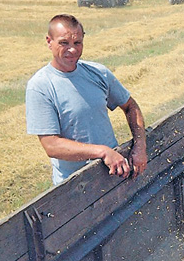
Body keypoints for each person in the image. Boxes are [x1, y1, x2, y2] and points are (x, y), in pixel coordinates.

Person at [26, 14, 147, 185]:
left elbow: (130, 106)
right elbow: (51, 145)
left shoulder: (99, 73)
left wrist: (140, 146)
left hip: (114, 174)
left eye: (77, 43)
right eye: (64, 43)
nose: (72, 50)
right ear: (49, 41)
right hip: (75, 186)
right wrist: (102, 152)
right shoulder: (41, 86)